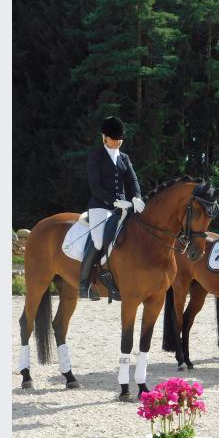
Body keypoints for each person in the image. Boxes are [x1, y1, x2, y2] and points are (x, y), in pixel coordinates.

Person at [79, 116, 144, 301]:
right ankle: (85, 283)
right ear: (104, 138)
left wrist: (137, 197)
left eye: (120, 139)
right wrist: (115, 200)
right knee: (100, 242)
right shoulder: (96, 156)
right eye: (115, 139)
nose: (118, 142)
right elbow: (95, 187)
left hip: (124, 206)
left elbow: (132, 180)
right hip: (101, 205)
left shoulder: (124, 157)